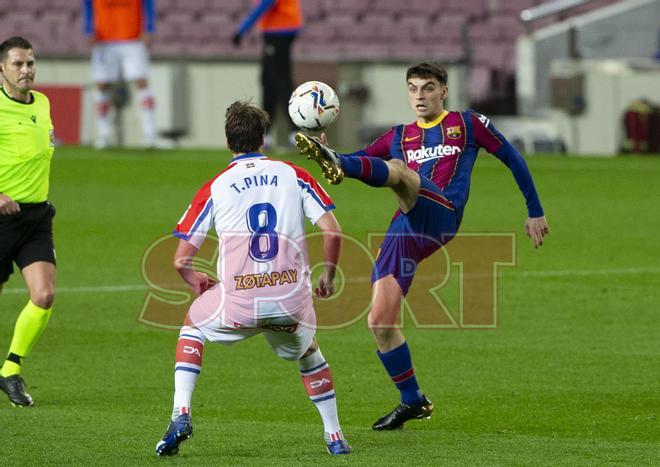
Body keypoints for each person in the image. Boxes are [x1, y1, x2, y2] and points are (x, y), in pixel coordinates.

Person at [296, 62, 550, 430]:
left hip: (443, 212)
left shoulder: (468, 124)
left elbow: (512, 157)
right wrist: (332, 154)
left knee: (399, 170)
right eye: (413, 89)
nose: (420, 96)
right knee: (379, 322)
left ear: (443, 90)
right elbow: (365, 160)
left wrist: (535, 210)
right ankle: (412, 400)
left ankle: (337, 164)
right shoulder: (399, 134)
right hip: (405, 228)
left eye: (428, 88)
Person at [155, 101, 351, 456]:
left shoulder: (215, 186)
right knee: (308, 349)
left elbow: (181, 260)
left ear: (228, 142)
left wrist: (195, 281)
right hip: (291, 301)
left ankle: (180, 413)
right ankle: (334, 435)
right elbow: (333, 232)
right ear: (263, 139)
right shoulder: (294, 174)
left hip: (240, 304)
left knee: (192, 323)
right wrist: (329, 276)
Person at [0, 36, 57, 407]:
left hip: (36, 216)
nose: (26, 70)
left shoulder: (44, 103)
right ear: (2, 69)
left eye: (31, 63)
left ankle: (10, 370)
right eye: (18, 64)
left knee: (45, 294)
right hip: (1, 218)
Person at [82, 0, 159, 149]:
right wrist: (88, 30)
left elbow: (148, 4)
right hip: (103, 39)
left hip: (133, 38)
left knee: (141, 81)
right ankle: (104, 135)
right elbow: (87, 5)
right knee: (102, 84)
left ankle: (151, 135)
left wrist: (149, 28)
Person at [232, 0, 302, 148]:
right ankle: (267, 135)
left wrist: (241, 30)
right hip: (279, 30)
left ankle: (295, 133)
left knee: (280, 82)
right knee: (269, 81)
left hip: (279, 30)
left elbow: (265, 4)